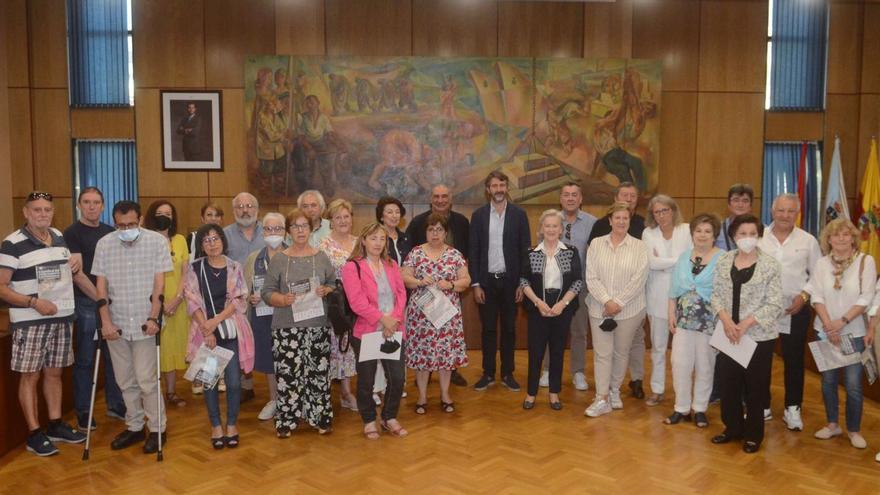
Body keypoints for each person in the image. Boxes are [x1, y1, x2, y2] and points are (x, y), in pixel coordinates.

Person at [0, 191, 95, 456]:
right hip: (30, 321)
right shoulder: (12, 243)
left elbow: (75, 277)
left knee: (54, 373)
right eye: (37, 210)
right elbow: (1, 287)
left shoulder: (59, 237)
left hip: (62, 319)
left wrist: (102, 299)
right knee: (30, 375)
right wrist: (33, 302)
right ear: (26, 213)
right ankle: (34, 433)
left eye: (47, 210)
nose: (43, 214)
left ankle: (55, 424)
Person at [92, 200, 172, 454]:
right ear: (115, 222)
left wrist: (153, 317)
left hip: (144, 321)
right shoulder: (104, 244)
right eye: (120, 225)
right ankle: (135, 426)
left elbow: (159, 285)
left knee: (147, 380)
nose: (125, 228)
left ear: (139, 220)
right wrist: (105, 321)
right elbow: (100, 287)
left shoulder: (156, 242)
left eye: (130, 224)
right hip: (116, 322)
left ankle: (158, 428)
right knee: (125, 380)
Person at [710, 214, 783, 454]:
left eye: (753, 234)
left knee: (756, 387)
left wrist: (745, 325)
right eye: (743, 234)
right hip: (728, 333)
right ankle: (732, 428)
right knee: (728, 384)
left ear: (759, 236)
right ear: (733, 236)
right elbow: (716, 294)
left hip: (758, 336)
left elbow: (774, 304)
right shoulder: (724, 260)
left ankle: (753, 435)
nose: (748, 238)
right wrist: (726, 321)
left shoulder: (770, 264)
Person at [262, 208, 337, 437]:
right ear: (288, 232)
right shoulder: (279, 260)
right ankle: (287, 420)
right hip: (286, 327)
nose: (300, 230)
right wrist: (282, 299)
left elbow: (334, 283)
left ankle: (320, 417)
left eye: (304, 225)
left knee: (318, 374)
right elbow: (267, 292)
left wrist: (327, 289)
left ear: (311, 229)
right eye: (295, 226)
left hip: (317, 325)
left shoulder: (322, 256)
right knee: (288, 375)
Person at [183, 225, 256, 450]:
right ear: (201, 246)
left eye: (215, 239)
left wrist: (215, 322)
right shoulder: (195, 268)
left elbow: (238, 299)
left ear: (223, 241)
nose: (212, 243)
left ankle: (232, 424)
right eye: (206, 240)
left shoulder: (234, 267)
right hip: (205, 332)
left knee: (234, 382)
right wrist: (207, 329)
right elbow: (191, 299)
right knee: (210, 381)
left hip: (230, 330)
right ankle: (216, 426)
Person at [808, 218, 875, 450]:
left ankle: (854, 429)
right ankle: (832, 423)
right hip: (825, 331)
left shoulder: (866, 262)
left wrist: (842, 322)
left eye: (846, 234)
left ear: (853, 238)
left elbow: (866, 298)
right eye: (836, 235)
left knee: (854, 384)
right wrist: (829, 325)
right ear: (828, 239)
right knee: (828, 381)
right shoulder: (821, 264)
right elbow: (816, 296)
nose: (841, 239)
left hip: (853, 332)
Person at [63, 187, 126, 431]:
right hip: (87, 303)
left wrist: (112, 300)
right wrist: (102, 300)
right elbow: (77, 275)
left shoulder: (111, 233)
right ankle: (83, 410)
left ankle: (115, 404)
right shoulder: (72, 233)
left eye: (96, 202)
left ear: (102, 205)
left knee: (114, 357)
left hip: (111, 303)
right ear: (79, 205)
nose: (91, 206)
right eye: (87, 202)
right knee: (86, 360)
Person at [757, 193, 820, 428]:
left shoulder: (808, 241)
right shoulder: (758, 237)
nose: (785, 215)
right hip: (763, 311)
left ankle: (792, 409)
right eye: (781, 210)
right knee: (761, 359)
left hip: (795, 311)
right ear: (772, 211)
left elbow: (818, 275)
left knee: (794, 361)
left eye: (790, 211)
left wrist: (804, 296)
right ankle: (761, 405)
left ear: (797, 213)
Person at [341, 223, 409, 439]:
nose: (378, 243)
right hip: (367, 331)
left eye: (382, 238)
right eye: (373, 238)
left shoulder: (391, 265)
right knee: (366, 381)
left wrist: (394, 320)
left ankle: (389, 417)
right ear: (363, 241)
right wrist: (383, 320)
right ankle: (369, 419)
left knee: (397, 378)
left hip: (394, 330)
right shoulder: (352, 267)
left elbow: (401, 294)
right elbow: (356, 302)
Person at [583, 203, 649, 418]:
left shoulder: (640, 247)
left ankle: (614, 391)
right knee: (603, 353)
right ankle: (601, 397)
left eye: (625, 218)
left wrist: (618, 302)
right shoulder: (596, 244)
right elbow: (591, 277)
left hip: (629, 310)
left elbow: (639, 279)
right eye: (617, 218)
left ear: (629, 221)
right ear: (610, 220)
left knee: (621, 352)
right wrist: (606, 301)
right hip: (599, 309)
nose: (621, 221)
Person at [401, 213, 470, 414]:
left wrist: (450, 284)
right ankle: (422, 396)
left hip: (447, 316)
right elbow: (403, 276)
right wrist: (419, 282)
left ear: (446, 232)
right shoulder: (415, 253)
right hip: (421, 316)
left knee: (446, 356)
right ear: (426, 232)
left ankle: (445, 394)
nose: (435, 233)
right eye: (431, 229)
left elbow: (466, 280)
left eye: (439, 229)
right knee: (423, 356)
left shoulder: (455, 254)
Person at [469, 171, 531, 392]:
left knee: (509, 330)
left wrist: (522, 283)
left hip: (510, 283)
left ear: (507, 188)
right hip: (485, 283)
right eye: (494, 185)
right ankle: (488, 374)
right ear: (488, 189)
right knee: (487, 330)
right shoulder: (478, 216)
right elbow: (473, 251)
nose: (498, 189)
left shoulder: (519, 215)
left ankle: (507, 373)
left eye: (502, 185)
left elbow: (525, 252)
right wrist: (475, 284)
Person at [520, 210, 583, 411]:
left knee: (557, 353)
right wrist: (538, 302)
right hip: (537, 309)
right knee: (536, 353)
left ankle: (554, 393)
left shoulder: (570, 252)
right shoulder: (532, 253)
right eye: (547, 226)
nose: (551, 229)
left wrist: (562, 304)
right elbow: (524, 281)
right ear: (541, 229)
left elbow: (577, 281)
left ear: (561, 229)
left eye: (555, 226)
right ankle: (531, 393)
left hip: (561, 310)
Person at [664, 213, 722, 428]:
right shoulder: (683, 257)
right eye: (698, 230)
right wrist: (671, 314)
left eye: (707, 231)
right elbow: (674, 289)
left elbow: (726, 292)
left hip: (710, 321)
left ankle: (699, 409)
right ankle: (681, 408)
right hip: (683, 320)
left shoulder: (723, 258)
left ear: (714, 235)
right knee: (680, 363)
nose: (702, 235)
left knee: (705, 365)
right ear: (692, 234)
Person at [539, 182, 595, 392]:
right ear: (560, 198)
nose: (570, 198)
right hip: (553, 286)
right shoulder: (551, 221)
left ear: (581, 199)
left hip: (580, 286)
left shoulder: (592, 223)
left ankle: (578, 372)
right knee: (549, 329)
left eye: (574, 195)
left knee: (579, 331)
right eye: (566, 195)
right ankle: (547, 369)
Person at [641, 195, 691, 406]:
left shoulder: (687, 230)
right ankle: (657, 389)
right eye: (657, 212)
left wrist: (665, 262)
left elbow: (691, 260)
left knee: (685, 351)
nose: (661, 215)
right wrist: (678, 261)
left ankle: (684, 394)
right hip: (657, 298)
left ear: (673, 210)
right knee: (658, 347)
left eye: (665, 210)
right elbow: (650, 263)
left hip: (685, 298)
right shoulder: (648, 233)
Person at [143, 200, 191, 408]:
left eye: (169, 213)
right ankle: (154, 395)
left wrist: (178, 298)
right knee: (154, 350)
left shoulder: (180, 240)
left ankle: (171, 391)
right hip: (152, 303)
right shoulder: (145, 241)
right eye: (160, 213)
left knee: (172, 348)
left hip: (178, 303)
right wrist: (158, 305)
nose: (165, 216)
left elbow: (186, 272)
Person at [244, 212, 287, 421]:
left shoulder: (294, 254)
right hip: (263, 316)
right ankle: (274, 399)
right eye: (269, 229)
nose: (273, 233)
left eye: (278, 229)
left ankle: (292, 400)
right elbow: (243, 290)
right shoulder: (254, 259)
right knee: (270, 360)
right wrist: (250, 298)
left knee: (289, 358)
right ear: (263, 232)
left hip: (290, 316)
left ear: (285, 231)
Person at [318, 199, 359, 411]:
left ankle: (346, 391)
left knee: (348, 348)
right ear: (330, 221)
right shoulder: (322, 245)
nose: (343, 221)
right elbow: (318, 276)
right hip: (331, 305)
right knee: (331, 348)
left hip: (354, 306)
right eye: (338, 217)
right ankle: (324, 394)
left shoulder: (359, 243)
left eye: (346, 216)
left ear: (352, 219)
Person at [224, 192, 265, 403]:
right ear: (234, 211)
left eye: (249, 205)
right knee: (239, 340)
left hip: (265, 295)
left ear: (257, 210)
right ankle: (243, 385)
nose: (245, 210)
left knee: (264, 338)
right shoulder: (225, 235)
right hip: (236, 299)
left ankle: (274, 387)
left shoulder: (268, 231)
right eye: (240, 206)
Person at [715, 183, 754, 251]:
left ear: (750, 206)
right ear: (729, 204)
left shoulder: (762, 230)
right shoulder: (717, 228)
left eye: (745, 201)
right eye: (736, 200)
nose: (740, 205)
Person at [377, 196, 412, 266]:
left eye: (397, 212)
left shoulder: (406, 238)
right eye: (390, 212)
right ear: (381, 217)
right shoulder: (376, 239)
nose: (394, 215)